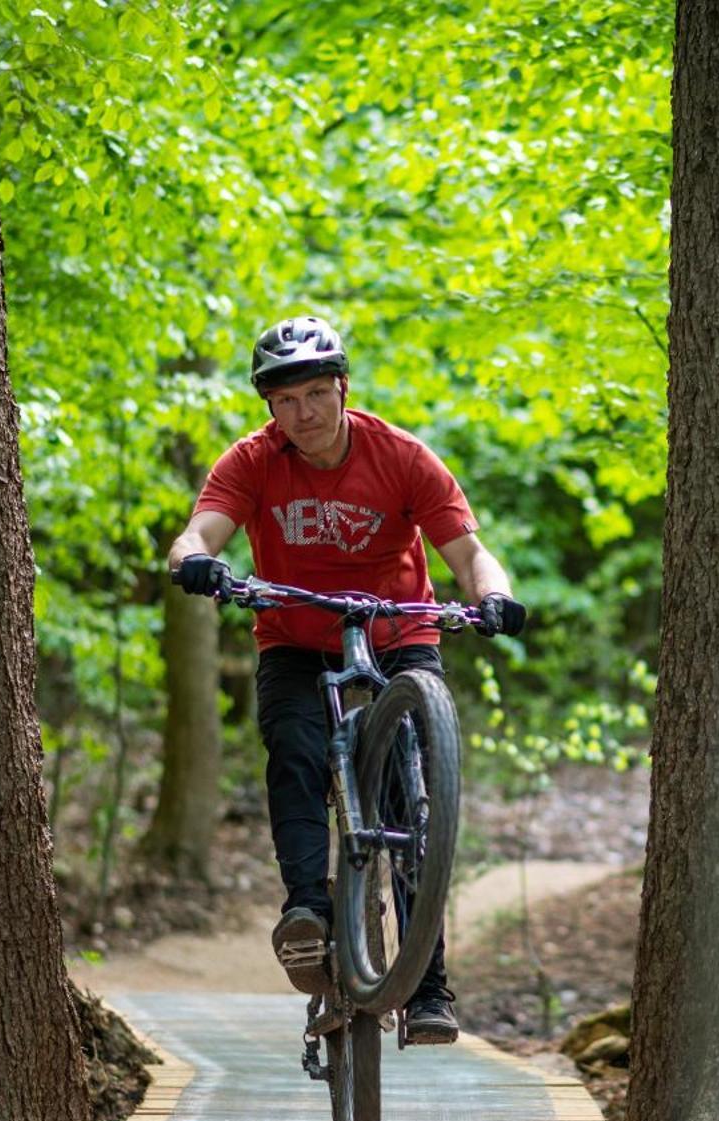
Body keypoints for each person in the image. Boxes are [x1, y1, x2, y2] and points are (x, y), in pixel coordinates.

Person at [166, 315, 525, 1045]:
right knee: (295, 750)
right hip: (297, 634)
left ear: (342, 389)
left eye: (316, 394)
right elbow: (200, 531)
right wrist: (192, 562)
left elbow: (468, 553)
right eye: (285, 401)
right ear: (270, 408)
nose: (303, 414)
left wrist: (493, 596)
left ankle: (427, 986)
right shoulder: (253, 461)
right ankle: (308, 914)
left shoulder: (400, 456)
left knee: (408, 790)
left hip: (399, 633)